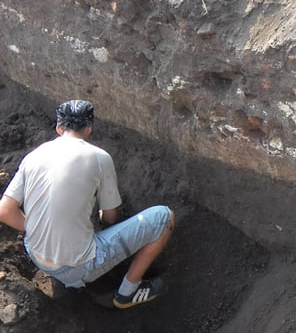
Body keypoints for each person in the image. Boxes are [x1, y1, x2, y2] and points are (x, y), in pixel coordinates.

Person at [0, 99, 175, 309]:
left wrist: (38, 229)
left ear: (59, 128)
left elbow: (5, 211)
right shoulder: (100, 158)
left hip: (35, 254)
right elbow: (110, 217)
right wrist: (108, 223)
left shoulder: (33, 156)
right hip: (78, 268)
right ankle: (127, 294)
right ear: (89, 128)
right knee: (164, 217)